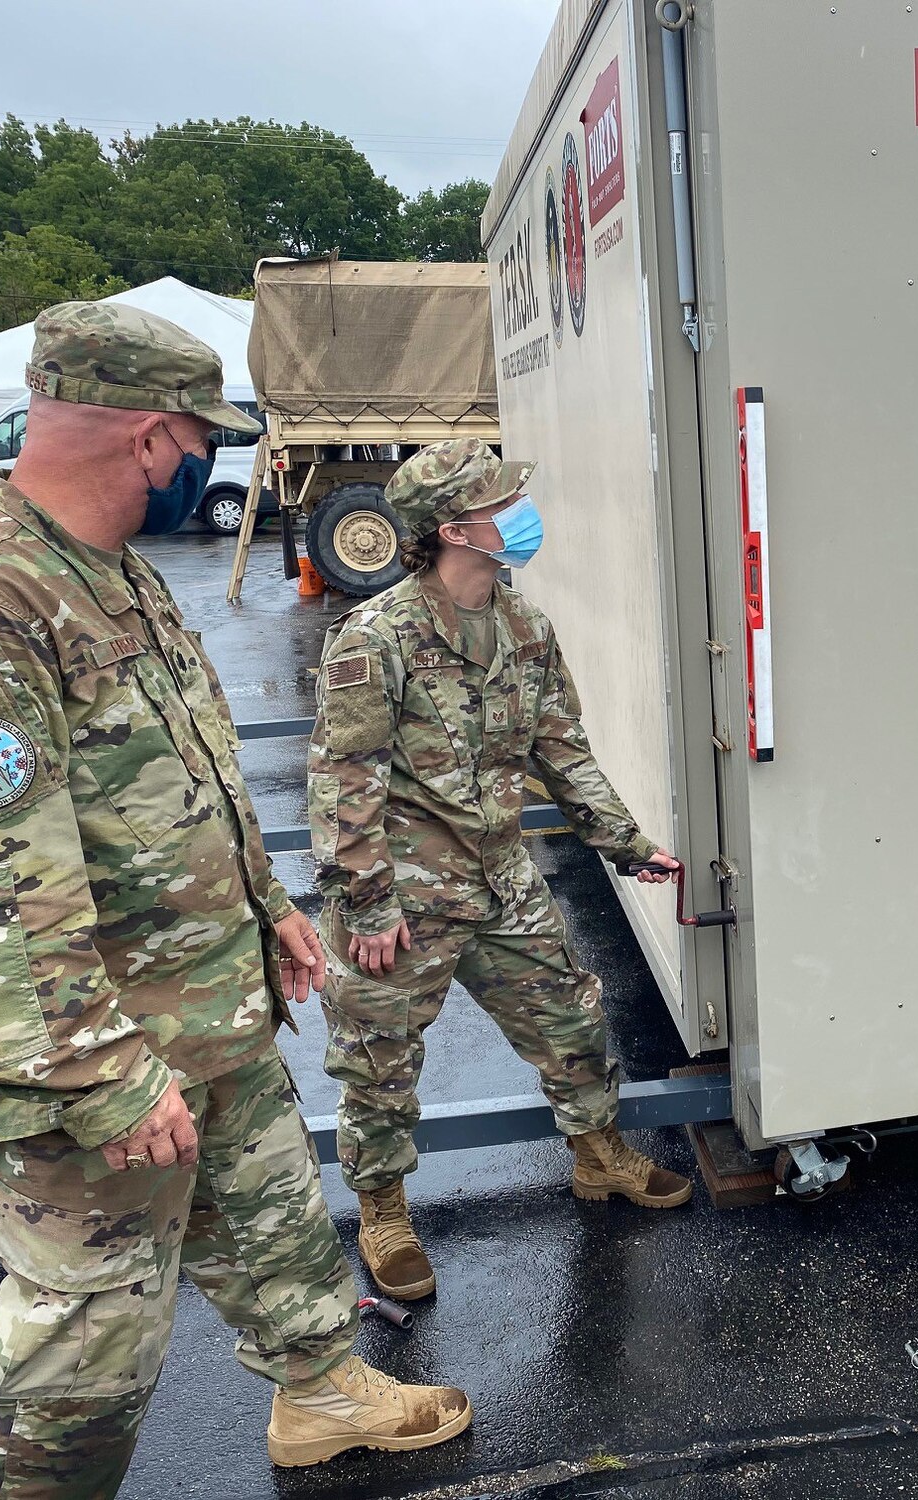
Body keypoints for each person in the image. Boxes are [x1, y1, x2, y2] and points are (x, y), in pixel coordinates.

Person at [0, 301, 470, 1498]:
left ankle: (323, 1390)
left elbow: (182, 769)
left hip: (208, 1002)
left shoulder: (111, 573)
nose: (203, 467)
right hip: (99, 1055)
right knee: (87, 1342)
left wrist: (267, 906)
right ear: (147, 439)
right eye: (198, 443)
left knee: (276, 1216)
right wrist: (97, 1073)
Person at [309, 437, 691, 1301]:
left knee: (571, 1018)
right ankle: (383, 1210)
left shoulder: (525, 627)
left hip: (500, 877)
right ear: (455, 528)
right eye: (501, 504)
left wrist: (627, 842)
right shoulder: (378, 639)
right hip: (403, 894)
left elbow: (564, 750)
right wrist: (367, 905)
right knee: (378, 1057)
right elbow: (343, 784)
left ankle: (598, 1155)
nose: (520, 516)